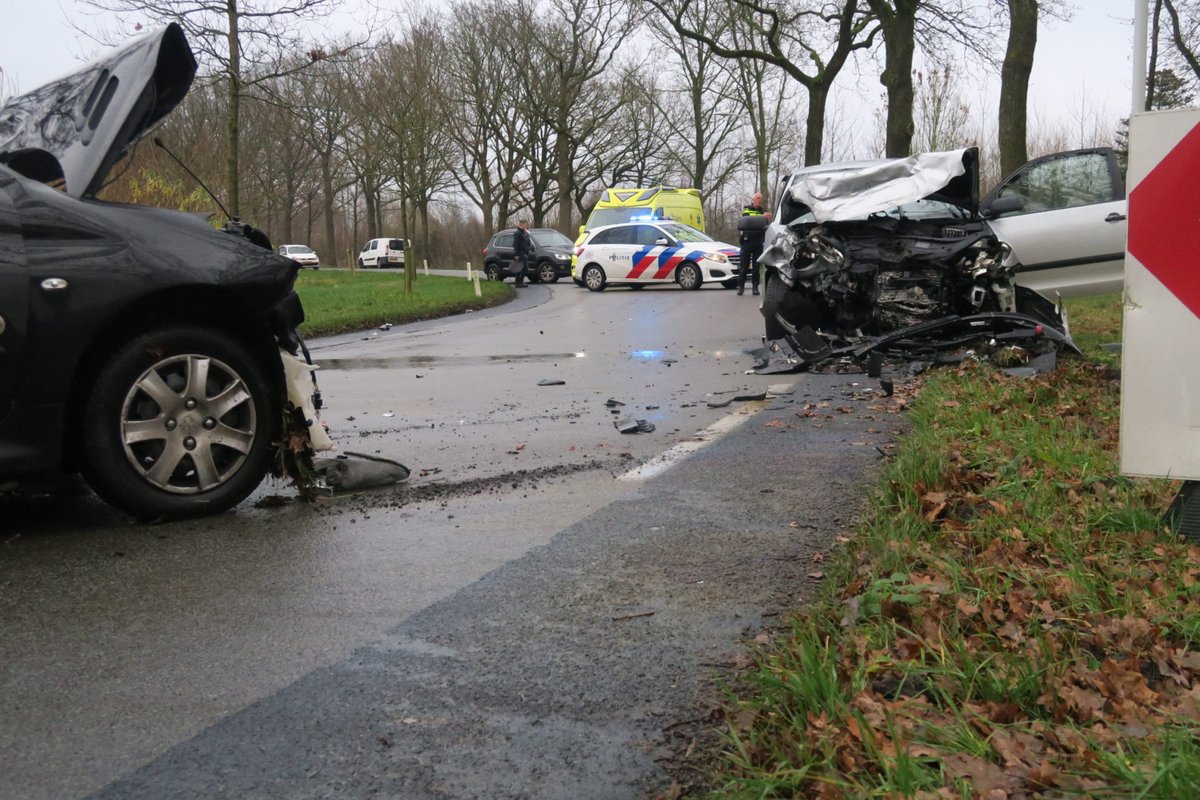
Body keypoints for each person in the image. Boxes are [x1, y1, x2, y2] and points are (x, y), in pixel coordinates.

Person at [736, 192, 771, 296]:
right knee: (744, 266)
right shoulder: (747, 210)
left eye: (761, 198)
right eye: (758, 198)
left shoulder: (764, 211)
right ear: (753, 200)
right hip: (747, 241)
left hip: (758, 241)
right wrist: (762, 217)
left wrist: (766, 218)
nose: (760, 200)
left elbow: (765, 225)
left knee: (756, 267)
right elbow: (747, 221)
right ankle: (741, 286)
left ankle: (755, 287)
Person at [511, 220, 532, 287]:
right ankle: (518, 283)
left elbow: (527, 242)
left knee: (524, 268)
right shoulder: (517, 233)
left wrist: (526, 234)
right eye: (525, 225)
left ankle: (520, 282)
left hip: (524, 253)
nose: (526, 226)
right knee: (520, 268)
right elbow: (515, 244)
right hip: (520, 253)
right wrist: (516, 255)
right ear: (521, 224)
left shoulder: (524, 233)